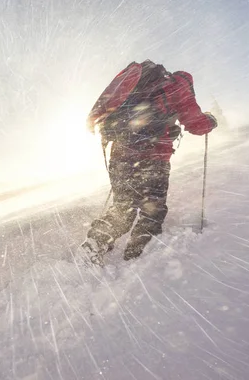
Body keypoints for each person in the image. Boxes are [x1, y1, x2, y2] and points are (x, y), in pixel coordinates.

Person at [80, 60, 217, 266]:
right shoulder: (179, 85)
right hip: (152, 160)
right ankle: (138, 259)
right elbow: (196, 123)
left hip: (120, 155)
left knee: (123, 207)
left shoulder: (142, 86)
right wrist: (210, 120)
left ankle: (94, 245)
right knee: (152, 209)